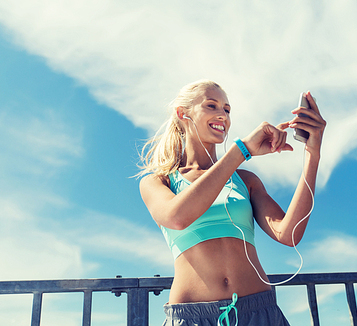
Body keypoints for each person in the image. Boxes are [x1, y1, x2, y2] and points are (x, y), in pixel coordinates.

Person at [138, 80, 326, 326]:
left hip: (259, 313)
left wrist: (313, 153)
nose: (222, 115)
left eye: (227, 109)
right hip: (192, 318)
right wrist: (241, 151)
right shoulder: (158, 181)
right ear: (182, 113)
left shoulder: (246, 181)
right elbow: (177, 217)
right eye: (212, 105)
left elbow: (288, 234)